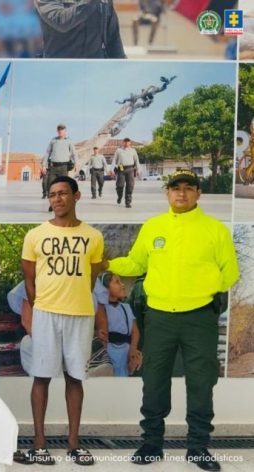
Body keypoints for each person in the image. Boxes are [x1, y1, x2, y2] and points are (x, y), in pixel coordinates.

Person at [103, 170, 239, 471]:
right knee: (153, 381)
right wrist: (107, 262)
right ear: (167, 193)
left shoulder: (215, 230)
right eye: (175, 188)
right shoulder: (154, 227)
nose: (181, 193)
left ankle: (199, 448)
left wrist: (199, 285)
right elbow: (136, 262)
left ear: (198, 194)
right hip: (160, 318)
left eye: (188, 188)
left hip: (200, 318)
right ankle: (151, 444)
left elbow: (230, 273)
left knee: (202, 383)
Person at [17, 175, 104, 466]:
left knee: (75, 377)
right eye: (52, 194)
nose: (57, 199)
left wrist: (74, 299)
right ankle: (39, 443)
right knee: (41, 377)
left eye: (63, 193)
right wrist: (40, 306)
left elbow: (91, 279)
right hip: (46, 314)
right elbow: (29, 280)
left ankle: (74, 444)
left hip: (80, 314)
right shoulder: (35, 235)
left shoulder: (93, 236)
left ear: (76, 196)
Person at [34, 0, 125, 58]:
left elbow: (113, 38)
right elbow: (61, 21)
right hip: (60, 72)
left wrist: (123, 68)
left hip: (95, 72)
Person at [96, 272, 142, 377]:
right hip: (108, 351)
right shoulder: (101, 308)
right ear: (105, 288)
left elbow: (135, 332)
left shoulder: (126, 307)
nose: (122, 285)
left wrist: (133, 349)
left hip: (125, 351)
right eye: (117, 282)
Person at [41, 124, 76, 211]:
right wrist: (44, 166)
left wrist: (75, 164)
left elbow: (74, 153)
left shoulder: (69, 141)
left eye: (62, 130)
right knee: (50, 186)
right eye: (59, 130)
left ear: (65, 131)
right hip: (53, 167)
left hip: (64, 167)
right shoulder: (53, 141)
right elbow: (47, 153)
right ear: (57, 131)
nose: (61, 132)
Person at [113, 137, 140, 208]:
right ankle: (119, 196)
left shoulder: (133, 150)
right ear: (123, 142)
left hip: (130, 169)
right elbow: (114, 160)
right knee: (119, 185)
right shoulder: (118, 150)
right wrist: (111, 169)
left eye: (128, 142)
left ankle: (128, 202)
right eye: (125, 141)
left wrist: (138, 170)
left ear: (130, 143)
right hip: (121, 169)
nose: (126, 143)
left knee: (130, 186)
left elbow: (137, 161)